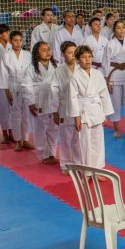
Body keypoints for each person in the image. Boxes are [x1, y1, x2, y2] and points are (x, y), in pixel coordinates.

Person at [65, 45, 114, 169]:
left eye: (89, 57)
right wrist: (76, 117)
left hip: (97, 111)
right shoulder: (75, 76)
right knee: (84, 143)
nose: (87, 60)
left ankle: (97, 169)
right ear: (77, 59)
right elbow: (73, 98)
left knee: (98, 142)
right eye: (83, 57)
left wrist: (105, 114)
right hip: (83, 112)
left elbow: (104, 94)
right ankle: (86, 170)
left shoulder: (98, 74)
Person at [23, 42, 59, 164]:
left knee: (53, 129)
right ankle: (43, 154)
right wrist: (31, 102)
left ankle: (52, 153)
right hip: (38, 100)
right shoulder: (32, 68)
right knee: (40, 129)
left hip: (53, 99)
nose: (47, 52)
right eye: (43, 50)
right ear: (37, 53)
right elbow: (26, 86)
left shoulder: (55, 65)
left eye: (48, 49)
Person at [0, 31, 32, 151]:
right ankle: (18, 140)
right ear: (11, 41)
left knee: (27, 114)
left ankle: (26, 139)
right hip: (13, 85)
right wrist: (7, 90)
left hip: (26, 85)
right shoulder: (7, 56)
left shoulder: (28, 54)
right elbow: (3, 75)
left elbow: (32, 72)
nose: (18, 43)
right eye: (15, 40)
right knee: (16, 114)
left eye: (20, 40)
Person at [50, 41, 81, 172]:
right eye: (69, 53)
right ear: (63, 54)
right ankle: (66, 164)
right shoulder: (58, 71)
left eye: (75, 52)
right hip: (64, 108)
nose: (73, 55)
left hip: (80, 108)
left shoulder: (81, 68)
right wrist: (55, 112)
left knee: (79, 139)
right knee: (66, 138)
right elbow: (53, 92)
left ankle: (80, 164)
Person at [104, 20, 125, 138]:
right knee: (115, 102)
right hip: (115, 75)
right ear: (114, 30)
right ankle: (116, 128)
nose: (121, 30)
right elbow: (106, 62)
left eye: (123, 27)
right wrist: (107, 80)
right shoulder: (110, 44)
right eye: (118, 28)